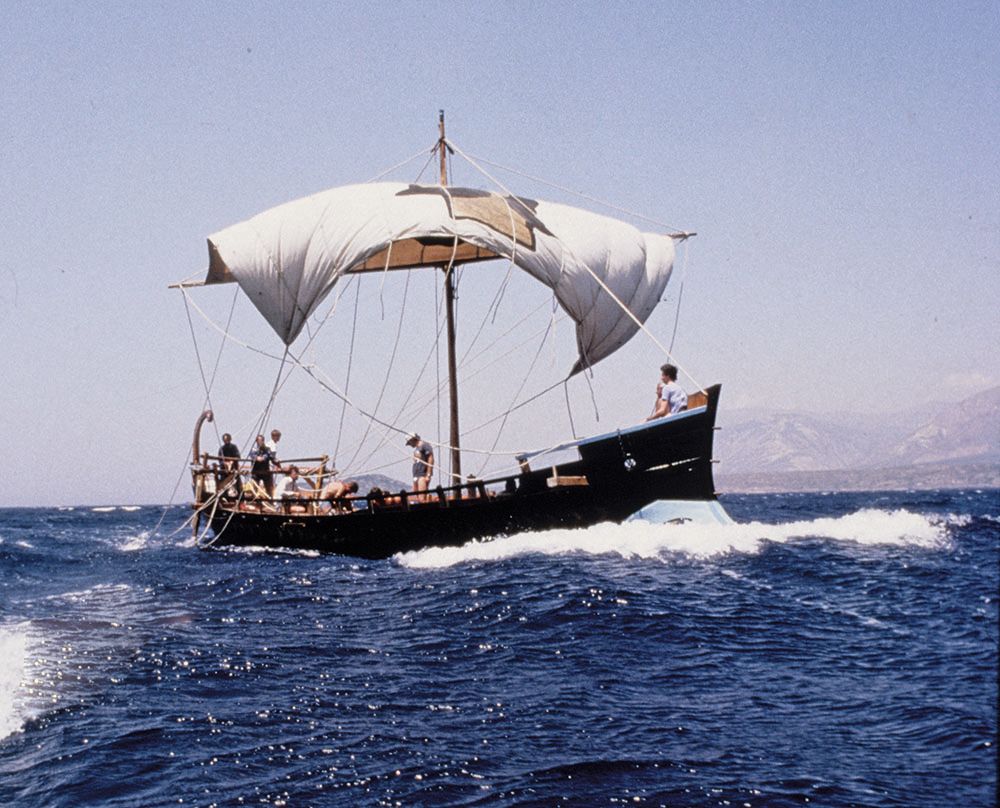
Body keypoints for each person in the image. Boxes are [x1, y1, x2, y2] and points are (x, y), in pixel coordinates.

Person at [405, 433, 434, 501]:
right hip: (416, 474)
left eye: (409, 443)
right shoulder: (417, 448)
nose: (410, 445)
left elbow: (430, 458)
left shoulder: (424, 445)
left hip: (422, 474)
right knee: (416, 494)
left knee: (422, 496)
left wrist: (428, 474)